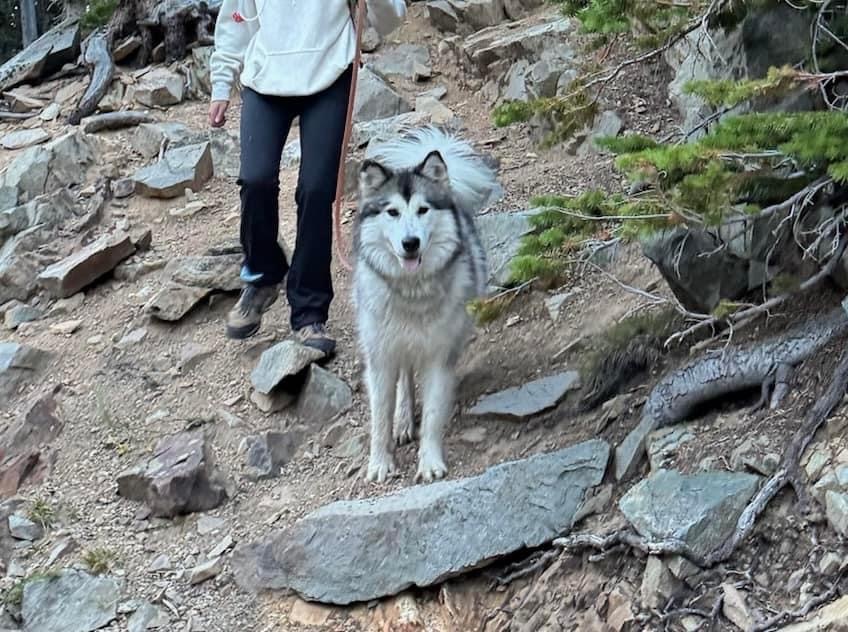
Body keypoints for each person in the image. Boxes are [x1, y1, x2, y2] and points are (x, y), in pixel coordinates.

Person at [208, 0, 407, 357]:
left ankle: (309, 311)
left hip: (330, 70)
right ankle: (263, 275)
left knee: (316, 190)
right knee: (255, 180)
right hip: (265, 75)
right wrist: (221, 83)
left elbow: (390, 18)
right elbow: (235, 20)